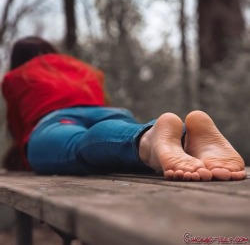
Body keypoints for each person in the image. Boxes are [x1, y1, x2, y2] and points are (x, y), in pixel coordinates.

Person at [1, 36, 246, 181]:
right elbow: (101, 101)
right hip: (107, 114)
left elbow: (19, 126)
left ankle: (150, 144)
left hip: (55, 120)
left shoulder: (15, 77)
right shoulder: (82, 69)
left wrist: (24, 157)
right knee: (120, 131)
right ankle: (174, 139)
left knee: (79, 144)